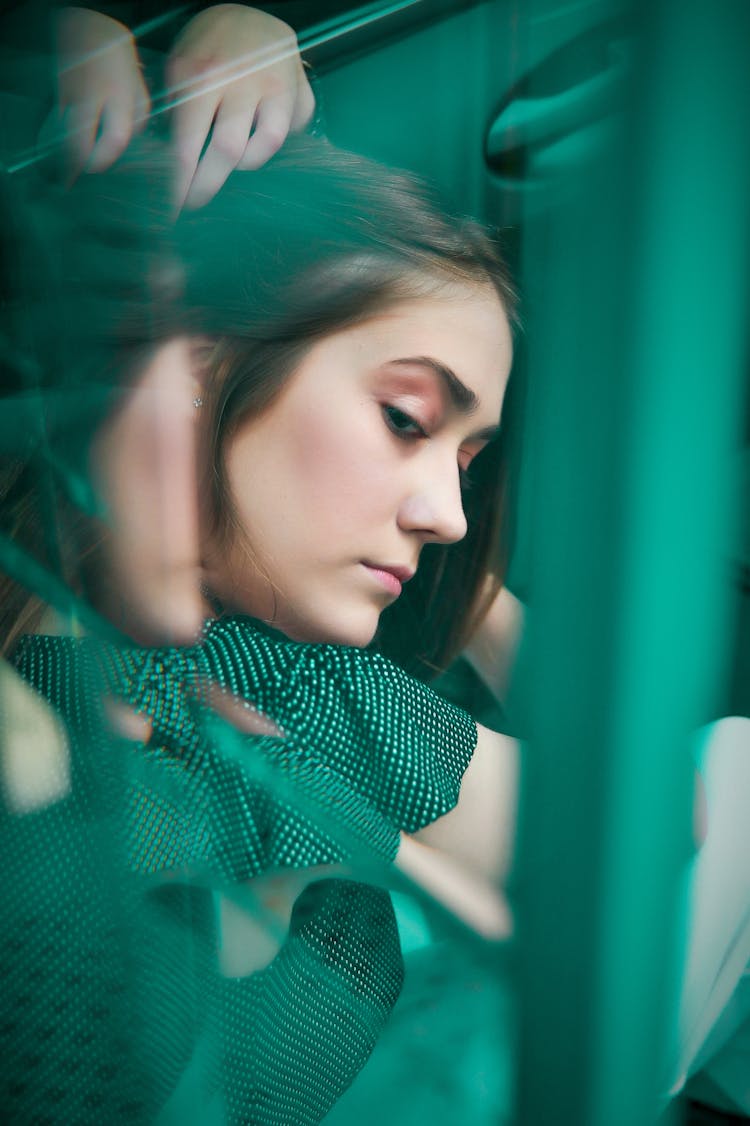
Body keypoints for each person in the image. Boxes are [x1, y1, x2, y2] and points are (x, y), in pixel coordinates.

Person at [0, 134, 518, 1123]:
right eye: (407, 418)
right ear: (194, 364)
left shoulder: (267, 679)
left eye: (468, 456)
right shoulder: (282, 690)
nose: (448, 514)